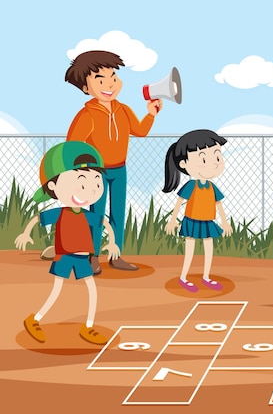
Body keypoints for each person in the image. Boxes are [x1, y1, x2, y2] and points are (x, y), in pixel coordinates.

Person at [53, 50, 162, 274]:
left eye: (113, 76)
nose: (110, 84)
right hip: (96, 173)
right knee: (96, 215)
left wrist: (151, 114)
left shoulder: (123, 110)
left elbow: (139, 131)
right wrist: (83, 171)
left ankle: (116, 255)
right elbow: (73, 145)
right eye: (99, 79)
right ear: (85, 87)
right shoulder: (87, 115)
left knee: (118, 214)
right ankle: (93, 257)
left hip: (120, 169)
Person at [16, 141, 120, 345]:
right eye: (82, 184)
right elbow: (38, 218)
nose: (90, 190)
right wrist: (26, 233)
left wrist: (113, 242)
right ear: (53, 185)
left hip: (83, 257)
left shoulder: (87, 215)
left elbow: (104, 223)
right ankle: (34, 319)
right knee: (57, 290)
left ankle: (88, 327)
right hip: (64, 256)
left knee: (92, 289)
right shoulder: (61, 213)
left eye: (96, 183)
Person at [163, 129, 233, 292]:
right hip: (192, 221)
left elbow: (219, 205)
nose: (215, 162)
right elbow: (180, 203)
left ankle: (206, 277)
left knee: (209, 250)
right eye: (203, 159)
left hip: (208, 221)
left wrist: (224, 222)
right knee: (190, 250)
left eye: (217, 156)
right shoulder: (191, 186)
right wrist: (172, 220)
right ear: (183, 164)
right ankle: (183, 278)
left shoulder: (211, 187)